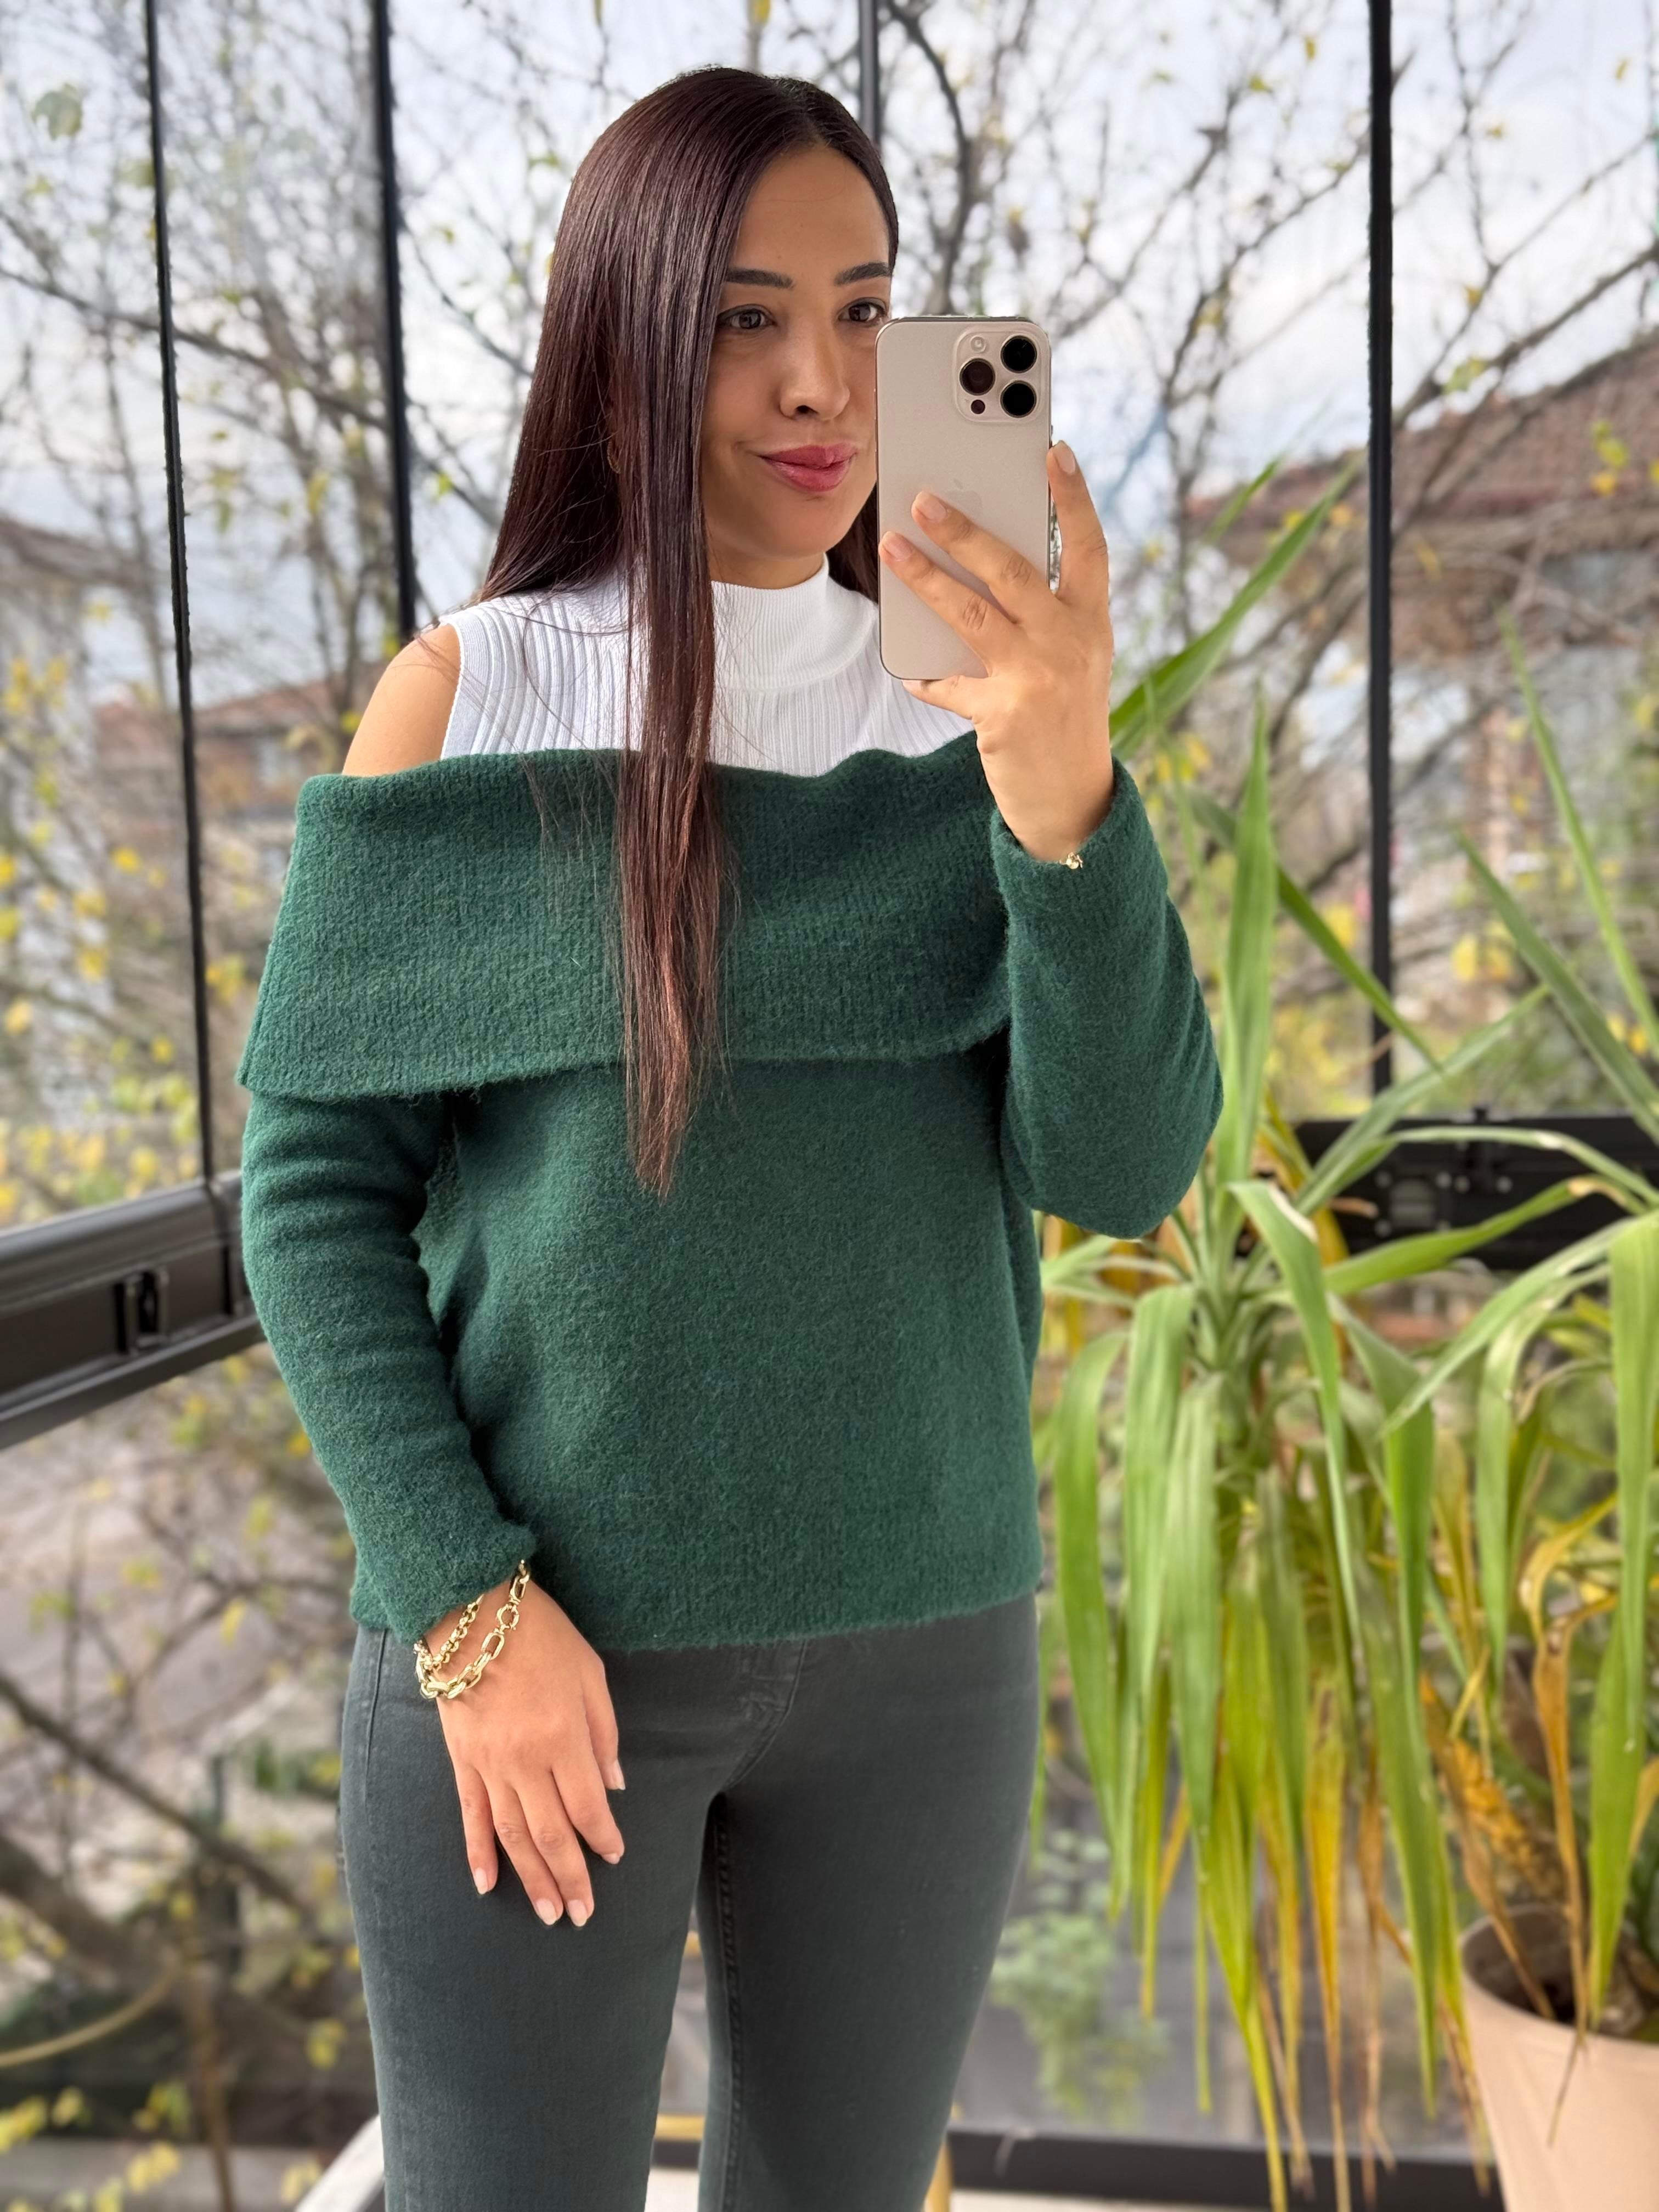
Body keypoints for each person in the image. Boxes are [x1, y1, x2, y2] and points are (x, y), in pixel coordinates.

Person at [234, 64, 1222, 2212]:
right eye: (742, 320)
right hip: (542, 1658)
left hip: (928, 1662)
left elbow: (1124, 1167)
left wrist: (1066, 780)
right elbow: (310, 1204)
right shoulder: (469, 697)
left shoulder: (972, 723)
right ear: (625, 342)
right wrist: (469, 1610)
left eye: (864, 312)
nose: (819, 384)